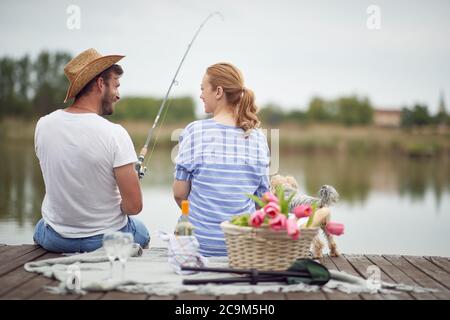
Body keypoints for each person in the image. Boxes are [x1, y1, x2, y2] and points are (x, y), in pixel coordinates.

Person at [33, 48, 150, 253]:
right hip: (105, 240)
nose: (118, 95)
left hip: (55, 239)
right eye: (116, 85)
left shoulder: (43, 125)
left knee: (39, 226)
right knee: (142, 232)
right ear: (100, 84)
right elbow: (133, 207)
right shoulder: (115, 133)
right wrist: (124, 189)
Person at [173, 62, 270, 257]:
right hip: (241, 251)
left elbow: (179, 194)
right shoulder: (258, 138)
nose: (200, 95)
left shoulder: (194, 131)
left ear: (218, 91)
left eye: (203, 89)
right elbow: (263, 201)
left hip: (199, 248)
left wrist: (204, 217)